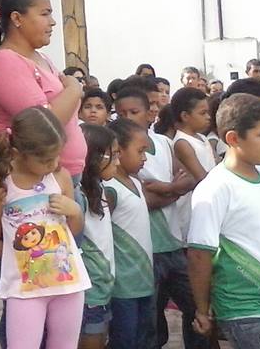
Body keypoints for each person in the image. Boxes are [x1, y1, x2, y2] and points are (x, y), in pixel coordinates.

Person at [187, 93, 260, 349]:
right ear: (233, 139)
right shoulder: (216, 188)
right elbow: (199, 254)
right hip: (247, 309)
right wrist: (202, 309)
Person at [0, 107, 90, 349]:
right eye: (45, 160)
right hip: (25, 288)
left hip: (67, 283)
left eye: (57, 157)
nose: (54, 164)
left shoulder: (59, 178)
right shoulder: (0, 186)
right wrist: (18, 259)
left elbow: (72, 230)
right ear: (18, 153)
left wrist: (75, 210)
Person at [0, 0, 85, 188]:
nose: (52, 22)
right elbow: (43, 125)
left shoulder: (42, 59)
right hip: (35, 183)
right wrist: (74, 89)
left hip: (64, 178)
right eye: (45, 14)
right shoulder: (4, 62)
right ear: (17, 18)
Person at [133, 91, 201, 349]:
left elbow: (188, 178)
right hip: (148, 250)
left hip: (173, 243)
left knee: (196, 307)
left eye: (135, 111)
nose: (129, 117)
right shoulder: (120, 148)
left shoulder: (162, 143)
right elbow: (144, 201)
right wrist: (173, 189)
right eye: (123, 112)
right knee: (152, 320)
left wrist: (165, 188)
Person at [104, 118, 154, 349]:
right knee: (124, 339)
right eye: (140, 151)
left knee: (142, 337)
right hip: (122, 285)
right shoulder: (110, 189)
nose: (144, 158)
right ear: (119, 151)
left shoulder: (135, 182)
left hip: (143, 279)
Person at [79, 124, 120, 349]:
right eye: (114, 155)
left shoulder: (99, 188)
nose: (118, 162)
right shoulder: (78, 196)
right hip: (88, 291)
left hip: (102, 286)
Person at [172, 88, 214, 241]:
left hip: (209, 203)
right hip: (192, 209)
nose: (208, 117)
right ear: (185, 116)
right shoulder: (182, 143)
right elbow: (202, 177)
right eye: (203, 113)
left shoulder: (203, 138)